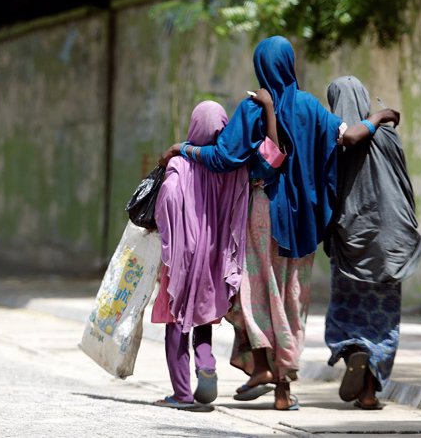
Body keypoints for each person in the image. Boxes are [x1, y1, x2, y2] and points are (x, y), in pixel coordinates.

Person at [160, 36, 400, 410]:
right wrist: (379, 117)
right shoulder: (310, 107)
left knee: (255, 295)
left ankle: (262, 367)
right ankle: (284, 388)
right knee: (291, 300)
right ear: (290, 63)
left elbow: (224, 157)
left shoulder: (253, 107)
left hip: (262, 212)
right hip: (304, 219)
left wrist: (184, 148)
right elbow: (350, 136)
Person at [324, 75, 421, 410]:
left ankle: (355, 349)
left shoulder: (331, 141)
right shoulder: (388, 138)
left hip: (349, 240)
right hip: (390, 240)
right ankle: (368, 393)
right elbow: (402, 183)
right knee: (382, 319)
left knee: (347, 310)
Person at [151, 100, 250, 409]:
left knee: (176, 320)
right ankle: (205, 363)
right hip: (214, 255)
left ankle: (181, 394)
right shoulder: (229, 168)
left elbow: (166, 200)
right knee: (202, 315)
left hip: (183, 253)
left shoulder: (180, 163)